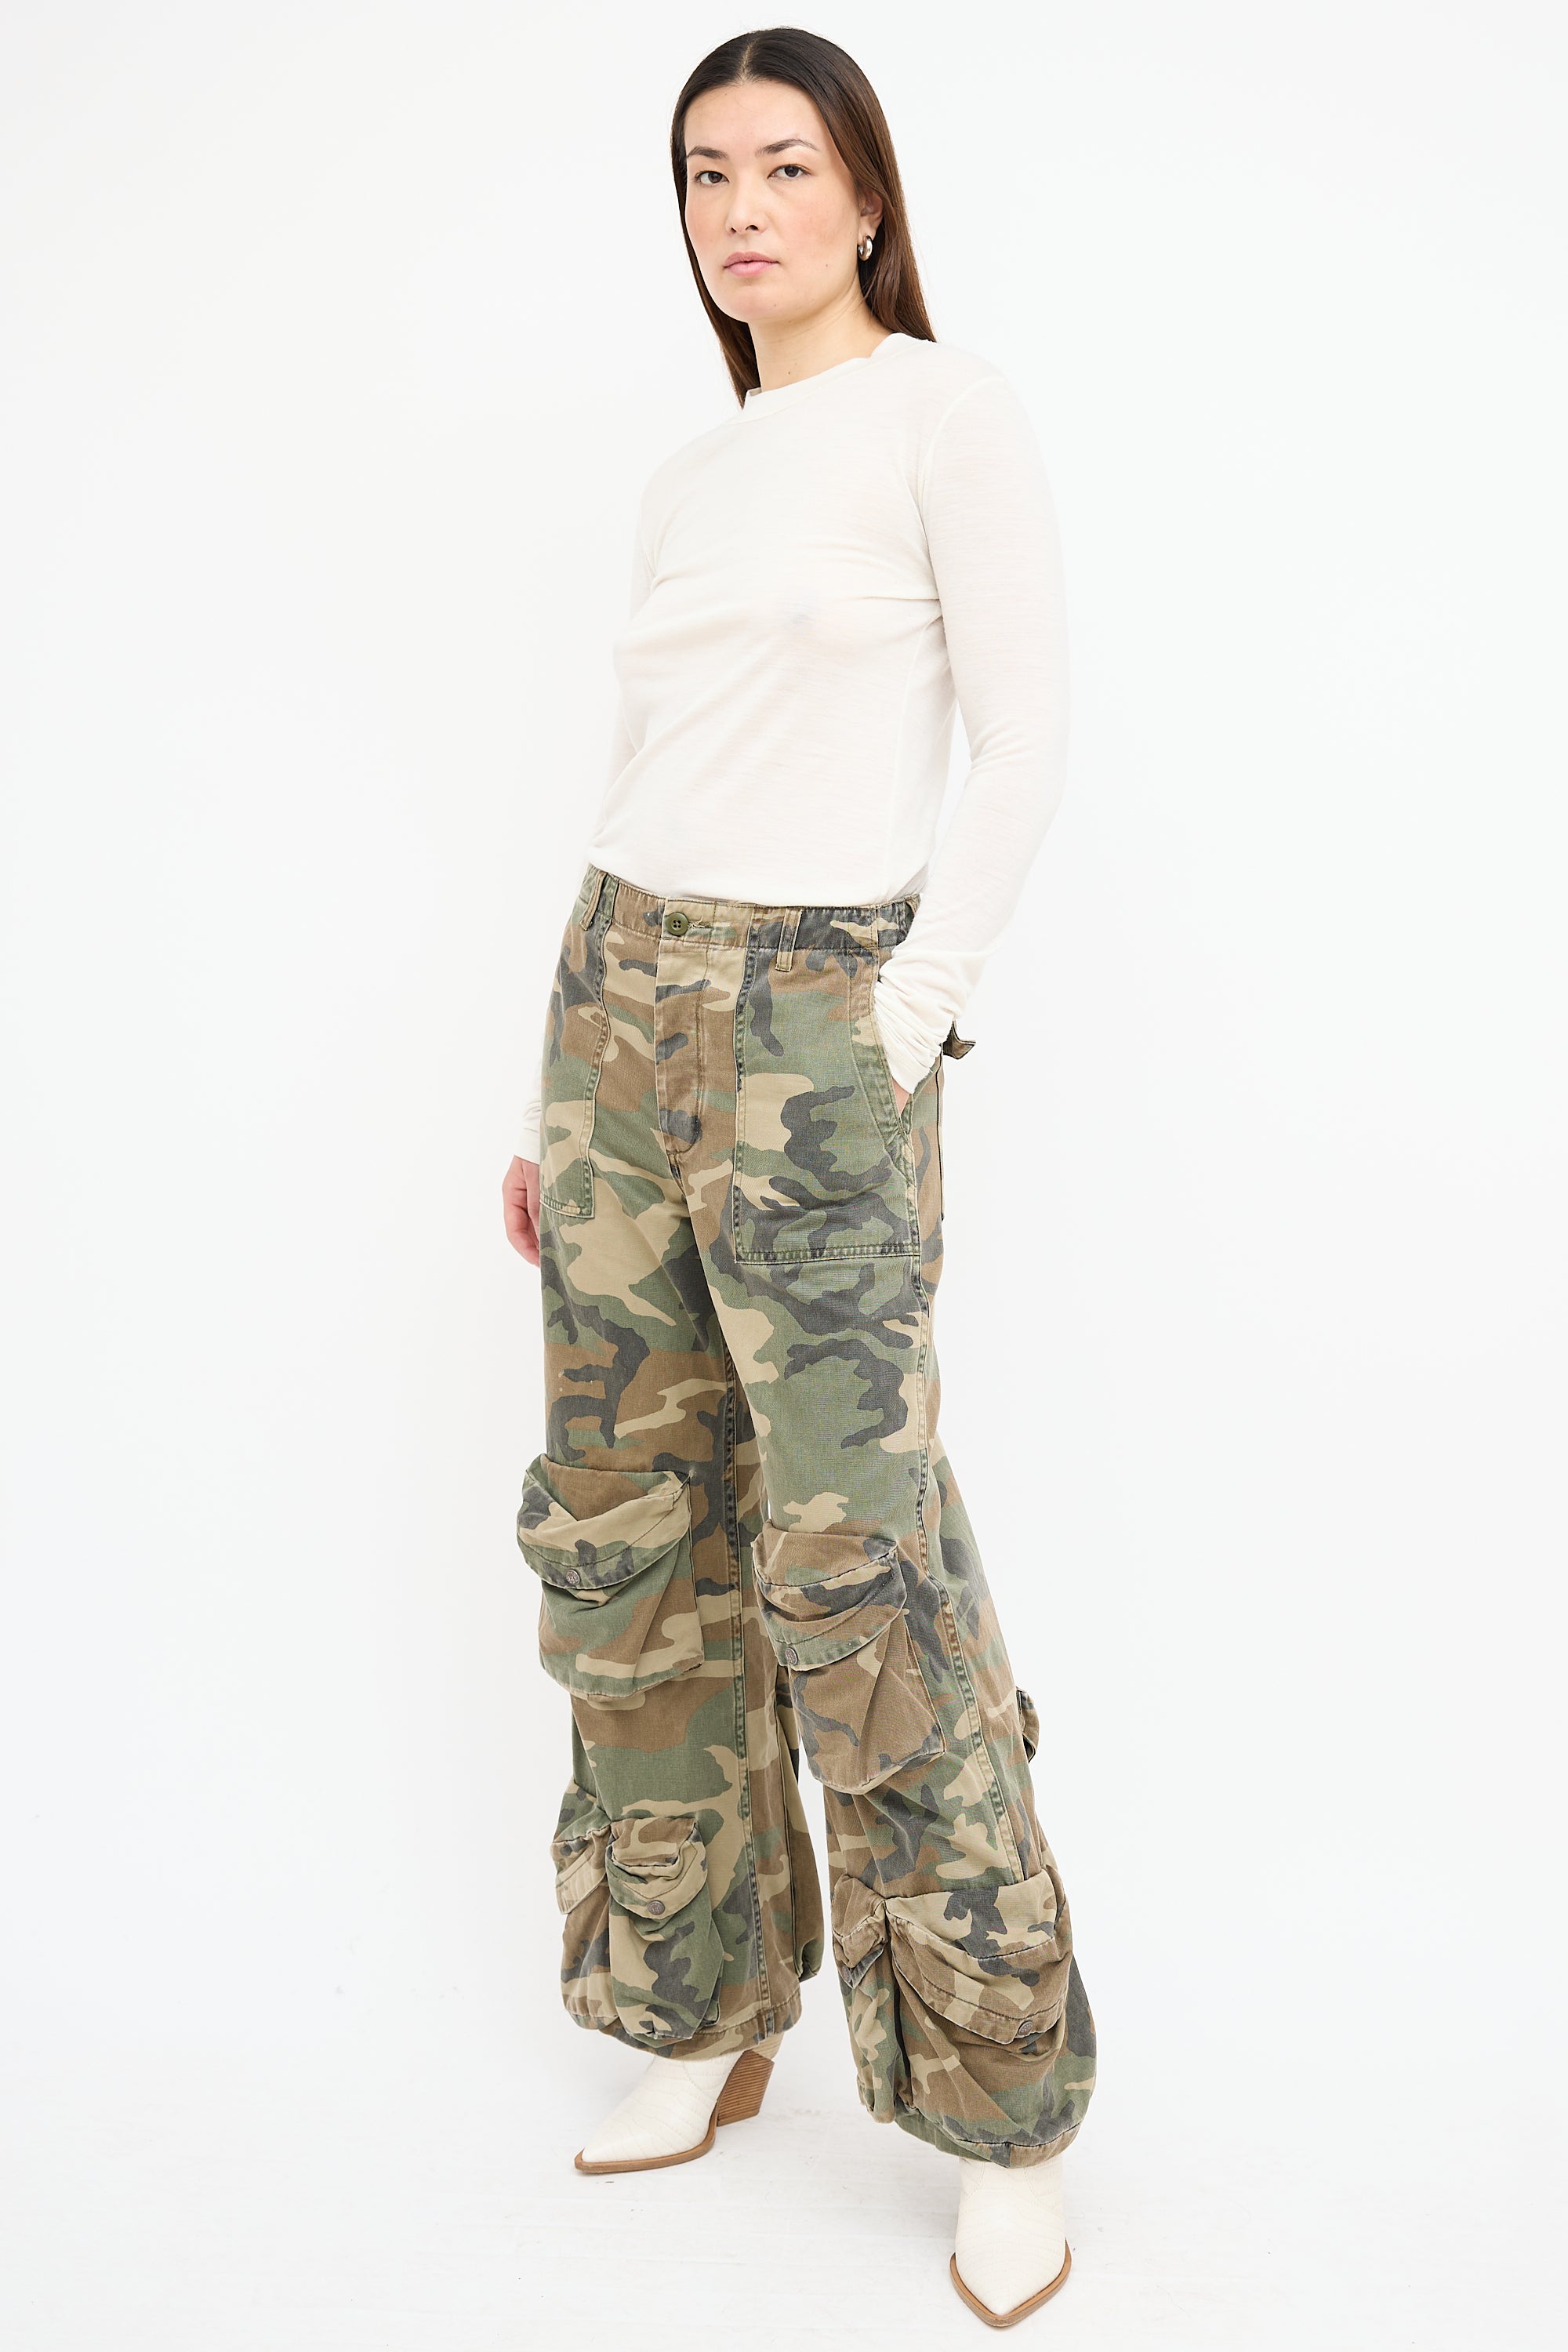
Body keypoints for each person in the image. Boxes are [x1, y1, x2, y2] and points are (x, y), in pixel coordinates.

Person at [501, 27, 1096, 2329]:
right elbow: (645, 763)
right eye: (703, 175)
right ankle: (695, 2012)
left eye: (782, 167)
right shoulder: (693, 473)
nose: (739, 211)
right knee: (631, 1535)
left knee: (861, 1562)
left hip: (820, 1020)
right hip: (615, 1004)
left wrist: (909, 1016)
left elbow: (1024, 736)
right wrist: (559, 1101)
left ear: (866, 195)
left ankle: (1005, 2111)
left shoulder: (947, 414)